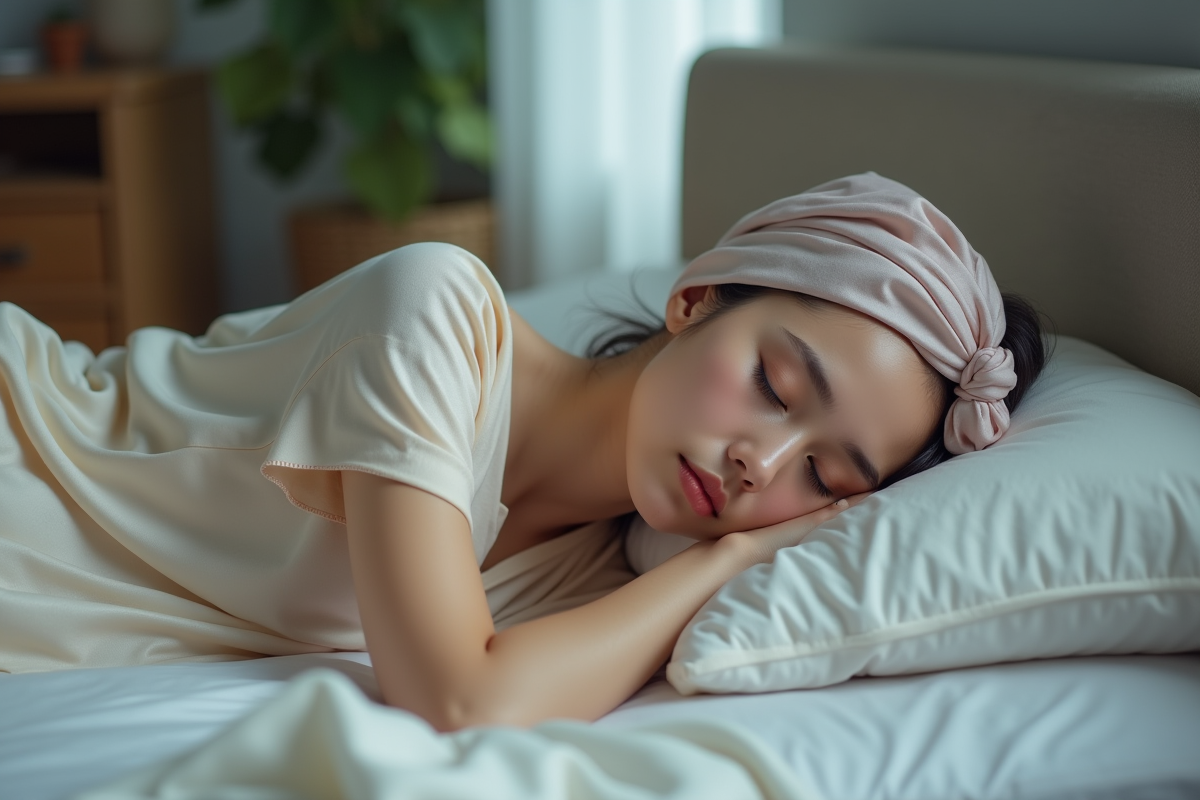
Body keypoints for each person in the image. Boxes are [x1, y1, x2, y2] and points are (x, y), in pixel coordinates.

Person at [0, 173, 1045, 731]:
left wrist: (714, 563)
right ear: (692, 298)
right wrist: (730, 557)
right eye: (775, 382)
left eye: (827, 476)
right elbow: (461, 696)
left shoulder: (604, 567)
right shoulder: (433, 312)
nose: (759, 468)